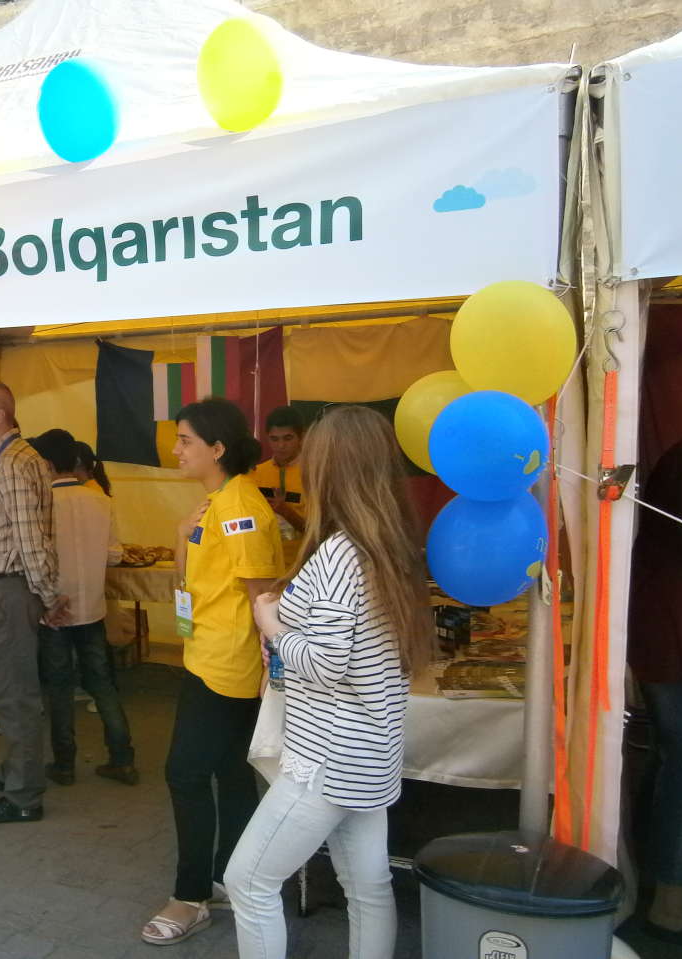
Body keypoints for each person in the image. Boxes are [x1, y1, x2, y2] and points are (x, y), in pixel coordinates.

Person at [225, 405, 434, 959]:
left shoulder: (341, 553)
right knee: (368, 886)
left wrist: (271, 624)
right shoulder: (388, 544)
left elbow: (324, 662)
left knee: (248, 881)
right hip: (369, 750)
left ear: (330, 468)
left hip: (327, 757)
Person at [142, 397, 284, 946]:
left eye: (186, 441)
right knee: (229, 772)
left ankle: (190, 895)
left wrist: (276, 668)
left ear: (218, 448)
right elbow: (188, 583)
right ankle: (228, 877)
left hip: (229, 664)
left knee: (185, 773)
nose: (176, 450)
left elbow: (262, 593)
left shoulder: (240, 506)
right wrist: (182, 535)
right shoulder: (216, 502)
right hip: (205, 654)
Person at [0, 382, 68, 824]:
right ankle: (13, 772)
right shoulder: (20, 459)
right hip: (8, 588)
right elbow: (30, 533)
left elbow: (30, 540)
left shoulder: (11, 465)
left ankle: (23, 796)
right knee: (10, 687)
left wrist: (47, 596)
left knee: (14, 693)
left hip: (9, 589)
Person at [27, 429, 136, 787]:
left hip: (53, 610)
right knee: (102, 684)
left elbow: (34, 561)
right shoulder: (99, 499)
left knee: (58, 689)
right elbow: (115, 555)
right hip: (92, 607)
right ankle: (122, 758)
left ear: (45, 463)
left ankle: (64, 765)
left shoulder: (40, 504)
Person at [628, 433, 682, 946]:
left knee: (675, 756)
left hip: (666, 630)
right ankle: (670, 901)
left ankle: (657, 875)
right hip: (673, 634)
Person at [249, 405, 308, 568]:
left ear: (302, 437)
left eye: (288, 438)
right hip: (265, 565)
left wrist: (286, 511)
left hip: (303, 565)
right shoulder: (256, 473)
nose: (281, 445)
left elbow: (321, 531)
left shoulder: (314, 473)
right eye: (274, 439)